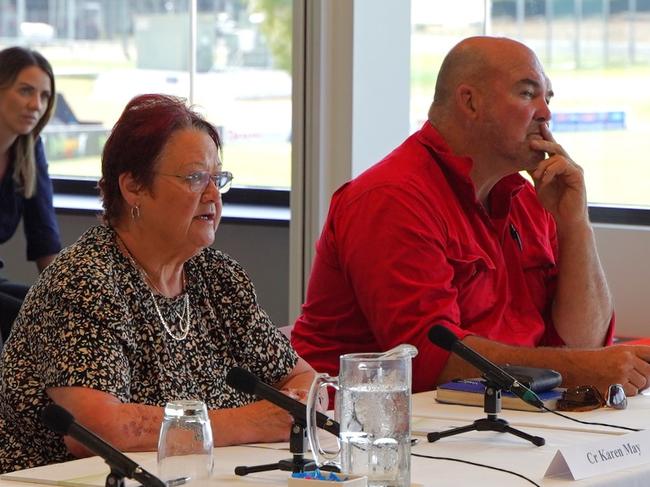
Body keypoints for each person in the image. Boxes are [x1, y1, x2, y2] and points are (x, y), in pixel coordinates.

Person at [291, 36, 650, 399]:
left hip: (495, 414)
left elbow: (584, 340)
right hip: (363, 432)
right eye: (528, 94)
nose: (545, 113)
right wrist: (581, 370)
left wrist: (575, 226)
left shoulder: (527, 197)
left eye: (547, 98)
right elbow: (431, 362)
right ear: (470, 102)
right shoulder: (392, 198)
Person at [0, 94, 316, 473]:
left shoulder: (217, 278)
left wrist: (297, 403)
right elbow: (96, 428)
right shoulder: (85, 281)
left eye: (217, 179)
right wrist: (252, 421)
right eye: (195, 178)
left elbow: (299, 376)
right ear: (134, 187)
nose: (213, 195)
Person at [0, 46, 61, 347]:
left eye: (45, 96)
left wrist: (67, 302)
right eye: (25, 91)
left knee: (55, 317)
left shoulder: (29, 150)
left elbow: (44, 235)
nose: (36, 104)